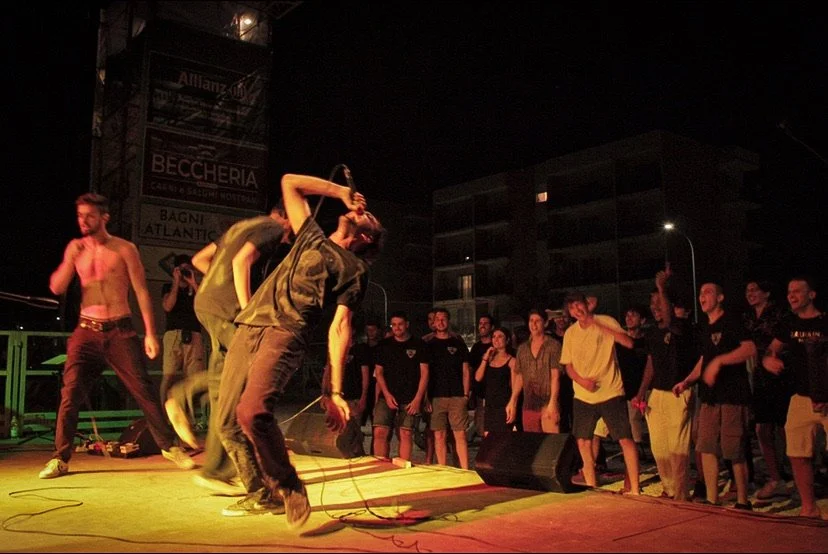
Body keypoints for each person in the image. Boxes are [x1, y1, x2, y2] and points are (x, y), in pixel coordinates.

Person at [216, 173, 385, 527]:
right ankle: (262, 494)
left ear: (367, 237)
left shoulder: (354, 269)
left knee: (252, 411)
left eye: (368, 216)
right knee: (227, 422)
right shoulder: (311, 235)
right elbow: (289, 182)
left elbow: (340, 327)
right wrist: (341, 192)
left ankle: (288, 485)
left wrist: (334, 391)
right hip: (249, 328)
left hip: (285, 332)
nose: (360, 211)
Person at [39, 193, 194, 479]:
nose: (83, 221)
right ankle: (60, 458)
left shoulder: (124, 249)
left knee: (144, 390)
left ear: (104, 217)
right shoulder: (76, 248)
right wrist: (70, 259)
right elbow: (57, 287)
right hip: (86, 330)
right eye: (80, 216)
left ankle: (170, 446)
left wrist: (150, 333)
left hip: (120, 330)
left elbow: (141, 291)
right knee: (70, 393)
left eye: (89, 215)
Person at [166, 205, 292, 495]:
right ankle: (183, 398)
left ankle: (216, 471)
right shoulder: (272, 227)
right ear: (284, 216)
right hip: (226, 312)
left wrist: (218, 284)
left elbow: (199, 260)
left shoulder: (240, 227)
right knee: (243, 377)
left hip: (208, 304)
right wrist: (248, 312)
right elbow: (241, 261)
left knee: (225, 391)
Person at [673, 282, 756, 510]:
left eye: (708, 292)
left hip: (732, 395)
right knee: (706, 446)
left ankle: (742, 500)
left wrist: (720, 362)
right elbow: (704, 359)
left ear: (720, 297)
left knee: (733, 450)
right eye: (700, 293)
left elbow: (749, 349)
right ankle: (712, 498)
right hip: (709, 397)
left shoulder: (732, 321)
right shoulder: (703, 328)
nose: (702, 296)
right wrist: (687, 381)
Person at [559, 291, 641, 494]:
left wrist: (598, 324)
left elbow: (629, 342)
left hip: (610, 391)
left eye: (578, 305)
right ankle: (591, 485)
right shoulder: (570, 333)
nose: (576, 310)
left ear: (586, 304)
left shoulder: (605, 321)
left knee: (624, 438)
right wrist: (582, 381)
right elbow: (568, 365)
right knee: (583, 440)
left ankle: (635, 488)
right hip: (583, 394)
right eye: (572, 308)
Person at [763, 276, 827, 519]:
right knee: (797, 453)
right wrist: (768, 359)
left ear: (812, 295)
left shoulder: (825, 322)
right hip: (800, 397)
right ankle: (809, 508)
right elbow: (771, 349)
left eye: (797, 291)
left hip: (826, 396)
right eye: (789, 291)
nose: (791, 295)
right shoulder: (789, 324)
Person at [633, 268, 697, 501]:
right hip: (657, 393)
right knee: (659, 446)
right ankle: (669, 488)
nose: (655, 307)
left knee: (677, 446)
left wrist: (662, 288)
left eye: (659, 302)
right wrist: (641, 392)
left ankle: (681, 492)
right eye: (652, 303)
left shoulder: (681, 327)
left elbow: (670, 319)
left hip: (678, 391)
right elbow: (651, 362)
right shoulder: (652, 332)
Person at [743, 279, 794, 501]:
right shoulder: (747, 318)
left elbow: (784, 341)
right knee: (762, 428)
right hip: (760, 377)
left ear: (767, 293)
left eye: (755, 289)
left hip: (782, 375)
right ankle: (775, 478)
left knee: (786, 428)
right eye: (747, 291)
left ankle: (796, 474)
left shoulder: (780, 314)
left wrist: (768, 356)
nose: (750, 293)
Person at [373, 311, 429, 461]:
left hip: (410, 397)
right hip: (386, 397)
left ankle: (403, 467)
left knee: (406, 433)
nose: (397, 327)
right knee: (379, 431)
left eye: (400, 324)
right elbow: (379, 373)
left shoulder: (419, 345)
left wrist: (418, 399)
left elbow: (425, 373)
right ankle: (380, 465)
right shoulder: (384, 345)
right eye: (394, 325)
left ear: (407, 324)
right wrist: (386, 394)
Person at [160, 254, 206, 430]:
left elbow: (205, 305)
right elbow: (168, 306)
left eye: (189, 269)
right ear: (176, 270)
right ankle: (163, 416)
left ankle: (189, 418)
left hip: (194, 335)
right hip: (174, 334)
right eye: (183, 269)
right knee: (168, 375)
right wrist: (175, 282)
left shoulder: (196, 288)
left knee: (194, 378)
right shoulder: (168, 287)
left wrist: (193, 283)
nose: (186, 272)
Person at [425, 308, 471, 469]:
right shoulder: (428, 345)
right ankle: (443, 469)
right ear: (434, 322)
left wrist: (466, 394)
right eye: (437, 319)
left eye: (443, 319)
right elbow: (424, 373)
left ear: (448, 321)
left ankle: (465, 469)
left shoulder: (458, 343)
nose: (440, 322)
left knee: (460, 435)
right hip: (436, 397)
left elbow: (466, 371)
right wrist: (425, 397)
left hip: (457, 396)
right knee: (439, 435)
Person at [507, 309, 562, 433]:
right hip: (529, 403)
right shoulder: (522, 349)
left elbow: (555, 376)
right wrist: (513, 400)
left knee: (550, 441)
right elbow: (520, 376)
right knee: (532, 441)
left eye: (538, 321)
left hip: (547, 401)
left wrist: (553, 402)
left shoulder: (553, 345)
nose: (534, 324)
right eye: (531, 321)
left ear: (545, 323)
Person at [475, 327, 516, 435]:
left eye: (500, 336)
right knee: (488, 438)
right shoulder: (488, 359)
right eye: (494, 336)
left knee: (503, 438)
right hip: (490, 405)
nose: (496, 339)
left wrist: (513, 405)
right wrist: (486, 357)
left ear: (507, 340)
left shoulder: (512, 361)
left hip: (504, 404)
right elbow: (478, 378)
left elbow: (515, 387)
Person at [468, 314, 495, 438]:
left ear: (492, 327)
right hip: (480, 393)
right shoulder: (476, 347)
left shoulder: (496, 347)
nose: (482, 326)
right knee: (481, 427)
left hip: (495, 393)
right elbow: (471, 369)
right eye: (480, 323)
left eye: (485, 323)